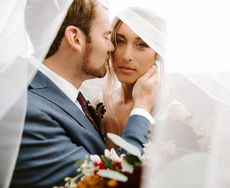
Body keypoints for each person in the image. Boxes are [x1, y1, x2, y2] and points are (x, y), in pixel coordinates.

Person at [10, 1, 157, 187]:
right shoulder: (28, 114)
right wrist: (142, 109)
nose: (112, 49)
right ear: (75, 38)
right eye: (106, 37)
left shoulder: (59, 95)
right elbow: (108, 183)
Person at [103, 7, 204, 151]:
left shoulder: (176, 116)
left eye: (141, 45)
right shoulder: (103, 106)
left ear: (158, 54)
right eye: (120, 41)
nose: (126, 56)